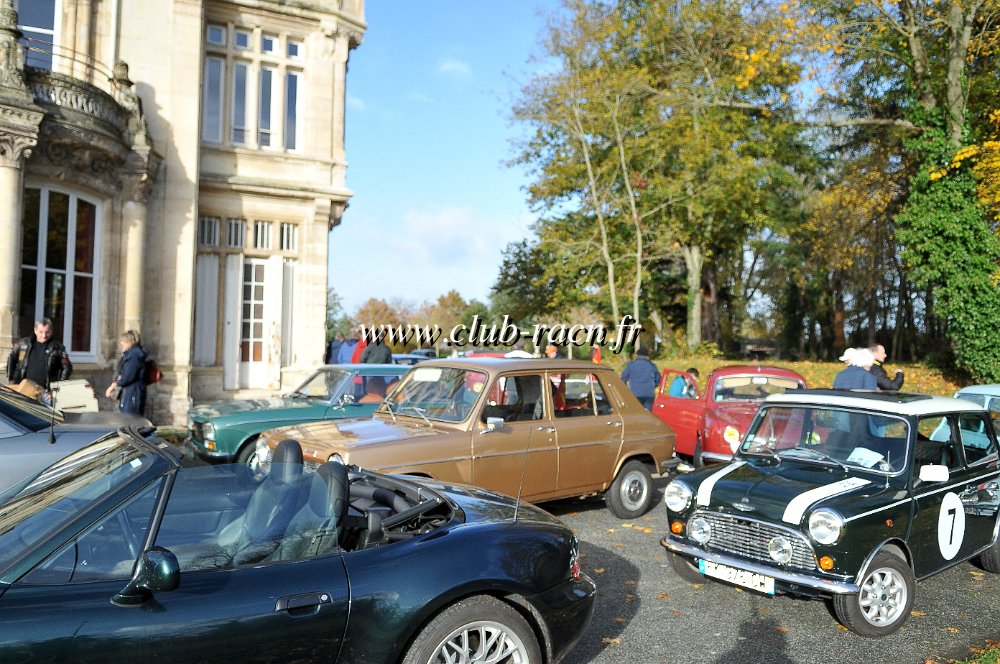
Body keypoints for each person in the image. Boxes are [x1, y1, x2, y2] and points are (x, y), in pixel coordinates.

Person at [6, 318, 73, 388]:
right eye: (41, 332)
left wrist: (58, 386)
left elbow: (67, 368)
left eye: (47, 332)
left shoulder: (57, 348)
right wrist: (11, 379)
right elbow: (11, 358)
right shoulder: (24, 344)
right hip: (23, 387)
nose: (44, 335)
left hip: (46, 390)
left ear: (51, 331)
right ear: (35, 330)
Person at [105, 330, 147, 415]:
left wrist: (114, 385)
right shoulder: (131, 354)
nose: (121, 343)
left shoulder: (134, 355)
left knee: (130, 418)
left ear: (129, 342)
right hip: (131, 391)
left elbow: (127, 377)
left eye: (123, 341)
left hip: (133, 392)